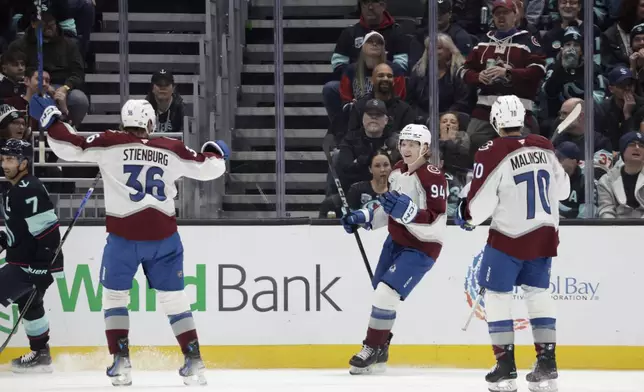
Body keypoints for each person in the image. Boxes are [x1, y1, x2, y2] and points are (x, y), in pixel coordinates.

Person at [27, 96, 230, 386]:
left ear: (125, 122)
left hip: (124, 236)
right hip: (164, 237)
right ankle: (194, 361)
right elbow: (209, 168)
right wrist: (216, 152)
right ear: (150, 123)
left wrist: (51, 119)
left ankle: (121, 362)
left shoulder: (110, 142)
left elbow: (69, 146)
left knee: (114, 297)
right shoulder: (170, 147)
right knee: (175, 299)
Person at [455, 95, 570, 392]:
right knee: (538, 295)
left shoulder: (492, 149)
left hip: (508, 238)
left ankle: (505, 368)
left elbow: (479, 206)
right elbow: (564, 192)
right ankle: (547, 364)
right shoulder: (544, 145)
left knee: (497, 297)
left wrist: (465, 215)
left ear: (495, 121)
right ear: (523, 118)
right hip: (544, 234)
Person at [340, 123, 448, 375]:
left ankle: (370, 348)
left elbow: (436, 217)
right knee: (382, 292)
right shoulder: (397, 171)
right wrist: (363, 216)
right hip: (396, 241)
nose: (407, 148)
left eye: (413, 144)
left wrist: (409, 213)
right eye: (404, 143)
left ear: (425, 147)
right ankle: (381, 349)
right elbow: (387, 207)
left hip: (422, 246)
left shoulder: (433, 176)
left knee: (385, 295)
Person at [0, 139, 63, 373]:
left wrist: (40, 268)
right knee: (30, 304)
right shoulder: (17, 188)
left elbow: (48, 235)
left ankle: (41, 354)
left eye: (10, 160)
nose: (4, 165)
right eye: (3, 159)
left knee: (29, 302)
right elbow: (24, 229)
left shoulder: (29, 189)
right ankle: (41, 354)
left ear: (24, 163)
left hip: (28, 265)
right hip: (26, 260)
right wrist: (5, 240)